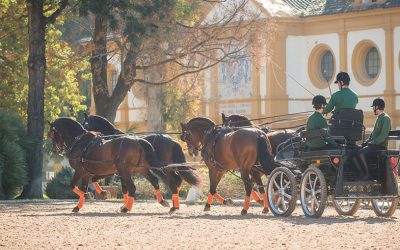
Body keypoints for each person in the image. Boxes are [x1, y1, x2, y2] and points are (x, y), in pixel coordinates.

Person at [357, 98, 391, 179]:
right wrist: (367, 142)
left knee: (361, 153)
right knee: (357, 150)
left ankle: (366, 174)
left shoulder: (386, 118)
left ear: (377, 107)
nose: (373, 109)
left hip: (380, 145)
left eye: (373, 107)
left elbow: (383, 136)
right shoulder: (379, 118)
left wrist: (373, 142)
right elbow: (373, 135)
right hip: (375, 145)